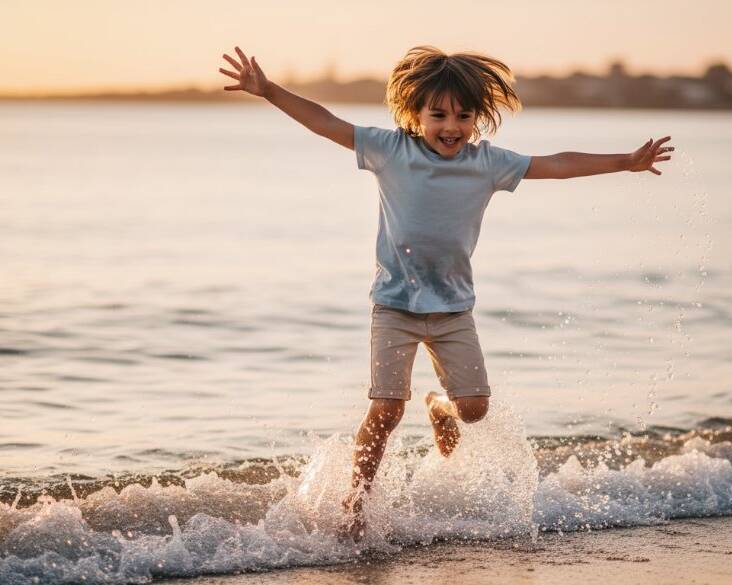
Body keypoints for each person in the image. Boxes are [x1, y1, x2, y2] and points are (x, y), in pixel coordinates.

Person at [218, 45, 672, 541]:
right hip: (393, 306)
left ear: (479, 117)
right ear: (416, 114)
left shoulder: (488, 163)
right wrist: (268, 91)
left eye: (463, 115)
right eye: (438, 114)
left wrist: (625, 161)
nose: (450, 126)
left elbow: (557, 163)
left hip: (454, 310)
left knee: (474, 407)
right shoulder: (390, 150)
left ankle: (438, 406)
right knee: (387, 410)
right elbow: (326, 122)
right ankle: (357, 502)